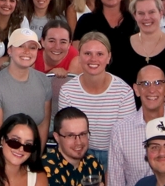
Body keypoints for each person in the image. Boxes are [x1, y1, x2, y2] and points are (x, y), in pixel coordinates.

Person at [0, 28, 51, 170]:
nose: (27, 51)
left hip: (27, 154)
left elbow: (43, 124)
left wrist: (34, 158)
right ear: (9, 50)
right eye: (21, 46)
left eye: (32, 47)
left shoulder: (43, 81)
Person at [58, 32, 136, 168]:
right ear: (79, 57)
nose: (93, 59)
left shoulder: (124, 91)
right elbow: (66, 134)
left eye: (100, 54)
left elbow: (126, 137)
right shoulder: (67, 90)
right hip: (78, 153)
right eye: (87, 53)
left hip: (114, 155)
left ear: (109, 57)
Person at [118, 0, 165, 86]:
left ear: (160, 13)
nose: (146, 17)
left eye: (151, 12)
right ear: (135, 16)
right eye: (141, 13)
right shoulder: (121, 47)